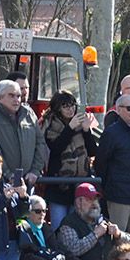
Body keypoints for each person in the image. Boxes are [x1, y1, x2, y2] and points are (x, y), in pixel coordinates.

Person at [94, 95, 130, 244]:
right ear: (118, 110)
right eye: (129, 108)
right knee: (118, 238)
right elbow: (100, 164)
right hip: (118, 195)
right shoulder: (111, 133)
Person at [40, 90, 97, 224]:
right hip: (59, 185)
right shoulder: (50, 125)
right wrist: (70, 128)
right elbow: (56, 149)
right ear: (58, 108)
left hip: (79, 184)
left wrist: (86, 130)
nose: (70, 109)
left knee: (77, 226)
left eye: (72, 105)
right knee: (58, 225)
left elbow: (93, 151)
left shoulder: (81, 122)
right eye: (65, 106)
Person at [0, 80, 46, 186]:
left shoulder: (29, 113)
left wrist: (35, 171)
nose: (16, 100)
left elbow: (40, 143)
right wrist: (8, 174)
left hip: (28, 180)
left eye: (18, 96)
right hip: (1, 181)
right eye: (11, 96)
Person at [56, 183, 129, 260]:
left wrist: (118, 235)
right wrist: (95, 235)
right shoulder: (69, 223)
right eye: (89, 199)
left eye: (95, 199)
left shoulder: (104, 221)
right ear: (79, 203)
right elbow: (72, 249)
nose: (94, 203)